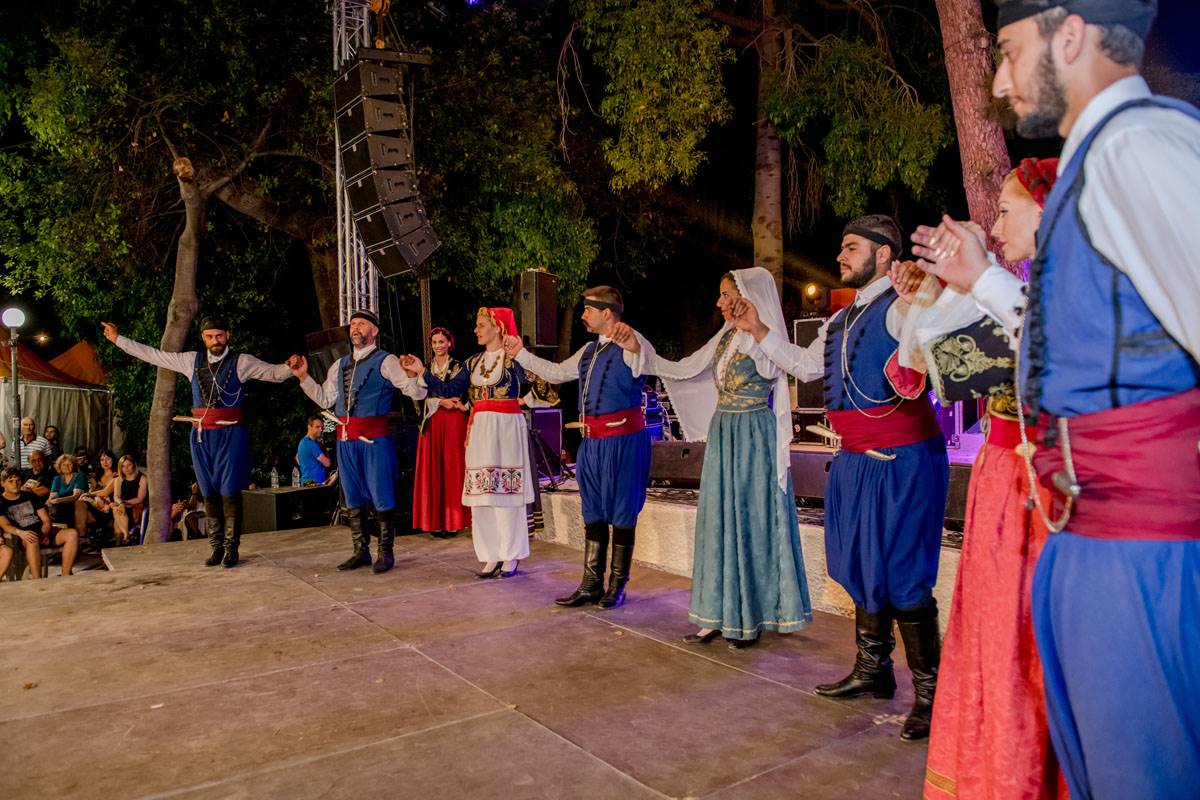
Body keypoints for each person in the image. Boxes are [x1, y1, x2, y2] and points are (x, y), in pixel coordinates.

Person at [910, 3, 1200, 796]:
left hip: (1142, 552)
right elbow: (1079, 337)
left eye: (1008, 52)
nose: (1000, 83)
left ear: (1070, 34)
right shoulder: (1099, 164)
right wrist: (984, 281)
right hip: (1086, 539)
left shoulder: (1140, 148)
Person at [730, 215, 949, 740]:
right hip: (853, 459)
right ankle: (874, 670)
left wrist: (926, 294)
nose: (840, 256)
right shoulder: (841, 318)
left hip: (902, 458)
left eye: (851, 247)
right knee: (859, 564)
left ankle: (932, 695)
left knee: (904, 573)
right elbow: (806, 366)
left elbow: (935, 339)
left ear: (884, 253)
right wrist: (757, 329)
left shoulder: (902, 303)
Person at [904, 159, 1065, 800]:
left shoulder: (1070, 289)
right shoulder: (1028, 288)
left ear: (1046, 209)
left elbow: (1048, 350)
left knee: (1029, 639)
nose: (995, 228)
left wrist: (976, 279)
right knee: (997, 633)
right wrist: (941, 291)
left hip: (1042, 489)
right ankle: (996, 764)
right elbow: (938, 366)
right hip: (1002, 481)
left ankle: (1028, 770)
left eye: (1004, 211)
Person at [619, 269, 813, 645]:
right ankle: (717, 612)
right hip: (725, 431)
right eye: (721, 295)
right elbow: (685, 369)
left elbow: (778, 368)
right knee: (720, 518)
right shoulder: (725, 337)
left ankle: (750, 615)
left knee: (750, 518)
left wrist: (757, 328)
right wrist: (638, 348)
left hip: (752, 434)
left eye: (726, 294)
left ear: (747, 295)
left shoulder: (764, 337)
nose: (720, 302)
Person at [502, 286, 653, 608]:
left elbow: (643, 360)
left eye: (588, 310)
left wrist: (634, 346)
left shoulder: (633, 343)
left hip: (624, 441)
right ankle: (591, 584)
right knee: (593, 512)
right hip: (592, 442)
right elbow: (557, 373)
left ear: (606, 313)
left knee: (623, 511)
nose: (583, 315)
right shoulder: (588, 350)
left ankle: (617, 585)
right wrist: (521, 354)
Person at [103, 316, 293, 567]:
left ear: (228, 335)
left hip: (230, 435)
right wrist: (118, 340)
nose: (215, 341)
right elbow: (154, 355)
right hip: (202, 435)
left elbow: (273, 373)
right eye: (210, 336)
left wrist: (291, 367)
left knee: (229, 491)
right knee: (208, 491)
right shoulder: (190, 360)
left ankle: (231, 548)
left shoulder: (242, 362)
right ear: (203, 337)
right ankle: (216, 547)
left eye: (220, 336)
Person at [289, 309, 425, 574]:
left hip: (374, 440)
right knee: (352, 495)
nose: (355, 328)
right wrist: (304, 377)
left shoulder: (386, 361)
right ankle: (360, 551)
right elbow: (325, 399)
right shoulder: (338, 364)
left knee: (381, 493)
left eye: (362, 324)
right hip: (345, 440)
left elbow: (416, 393)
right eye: (353, 324)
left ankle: (385, 552)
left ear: (374, 330)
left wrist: (414, 374)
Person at [406, 308, 533, 578]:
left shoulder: (514, 359)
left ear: (498, 327)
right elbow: (449, 389)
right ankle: (490, 553)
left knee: (506, 493)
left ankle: (510, 554)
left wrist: (525, 396)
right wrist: (422, 372)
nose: (476, 330)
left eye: (481, 325)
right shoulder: (473, 362)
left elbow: (541, 384)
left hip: (506, 428)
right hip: (480, 428)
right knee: (482, 495)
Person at [411, 327, 471, 540]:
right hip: (433, 419)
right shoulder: (425, 368)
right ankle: (435, 521)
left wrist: (460, 403)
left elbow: (455, 389)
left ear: (449, 343)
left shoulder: (459, 367)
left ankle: (454, 521)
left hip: (454, 421)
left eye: (441, 341)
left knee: (453, 467)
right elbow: (418, 397)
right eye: (434, 342)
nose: (437, 345)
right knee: (434, 468)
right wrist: (439, 401)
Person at [0, 466, 78, 578]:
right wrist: (21, 533)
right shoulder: (1, 502)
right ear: (2, 483)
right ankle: (37, 581)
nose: (15, 484)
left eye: (18, 480)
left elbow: (46, 520)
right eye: (10, 481)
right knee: (33, 538)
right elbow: (5, 525)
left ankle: (65, 575)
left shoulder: (30, 496)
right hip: (23, 535)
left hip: (43, 532)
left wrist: (44, 534)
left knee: (72, 534)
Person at [110, 454, 148, 546]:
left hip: (136, 507)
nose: (126, 468)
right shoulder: (118, 479)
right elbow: (116, 496)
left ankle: (122, 541)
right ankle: (126, 535)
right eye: (123, 466)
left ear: (134, 465)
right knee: (116, 509)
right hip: (123, 507)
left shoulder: (142, 478)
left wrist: (123, 504)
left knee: (117, 515)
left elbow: (140, 498)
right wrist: (121, 503)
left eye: (129, 465)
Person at [48, 453, 90, 534]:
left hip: (77, 503)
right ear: (59, 466)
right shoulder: (57, 478)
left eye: (69, 464)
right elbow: (52, 498)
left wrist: (59, 500)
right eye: (63, 465)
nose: (66, 467)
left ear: (73, 465)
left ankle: (78, 534)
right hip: (62, 505)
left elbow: (75, 496)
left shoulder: (79, 476)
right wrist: (55, 500)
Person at [295, 415, 330, 486]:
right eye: (317, 427)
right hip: (312, 485)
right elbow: (327, 463)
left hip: (307, 483)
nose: (321, 430)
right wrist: (323, 448)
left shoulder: (304, 441)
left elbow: (297, 457)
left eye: (322, 427)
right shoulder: (311, 444)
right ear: (309, 427)